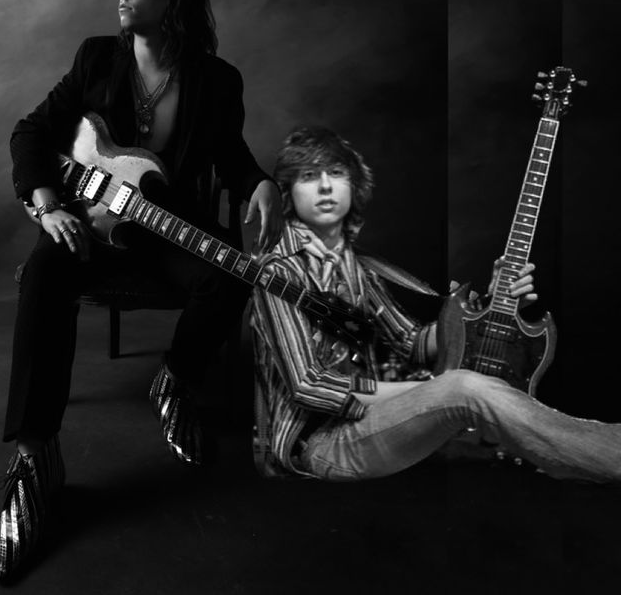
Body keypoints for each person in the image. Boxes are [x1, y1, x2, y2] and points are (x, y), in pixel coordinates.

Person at [0, 0, 282, 582]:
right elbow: (30, 131)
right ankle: (35, 460)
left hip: (166, 235)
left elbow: (231, 155)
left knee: (229, 272)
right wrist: (45, 206)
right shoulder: (97, 57)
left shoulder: (216, 79)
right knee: (43, 273)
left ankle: (175, 378)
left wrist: (260, 183)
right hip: (88, 229)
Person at [251, 125, 621, 484]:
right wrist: (427, 390)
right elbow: (309, 386)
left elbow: (411, 342)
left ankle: (576, 453)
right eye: (310, 176)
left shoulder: (355, 265)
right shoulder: (278, 272)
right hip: (321, 445)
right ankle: (579, 456)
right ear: (288, 193)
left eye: (336, 173)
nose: (327, 186)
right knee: (463, 386)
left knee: (462, 386)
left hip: (376, 423)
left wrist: (490, 306)